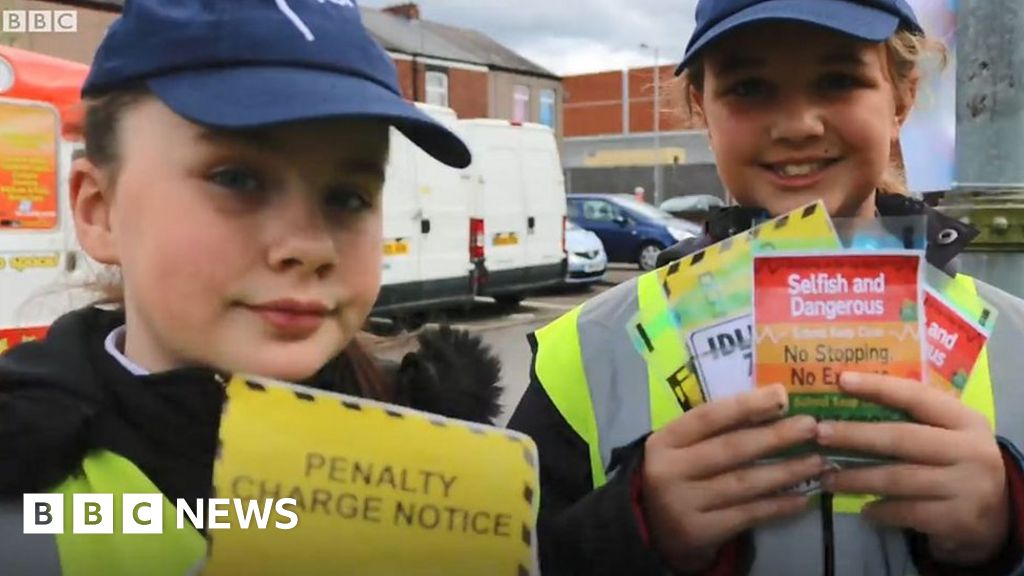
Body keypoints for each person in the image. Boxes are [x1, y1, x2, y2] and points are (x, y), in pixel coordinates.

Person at [508, 0, 1024, 574]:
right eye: (750, 88)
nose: (798, 125)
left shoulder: (1017, 340)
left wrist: (1006, 524)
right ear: (703, 107)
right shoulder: (585, 351)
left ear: (902, 95)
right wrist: (630, 527)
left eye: (838, 80)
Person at [0, 1, 502, 573]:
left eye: (348, 196)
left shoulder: (442, 466)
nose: (310, 246)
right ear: (99, 211)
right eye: (235, 178)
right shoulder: (29, 496)